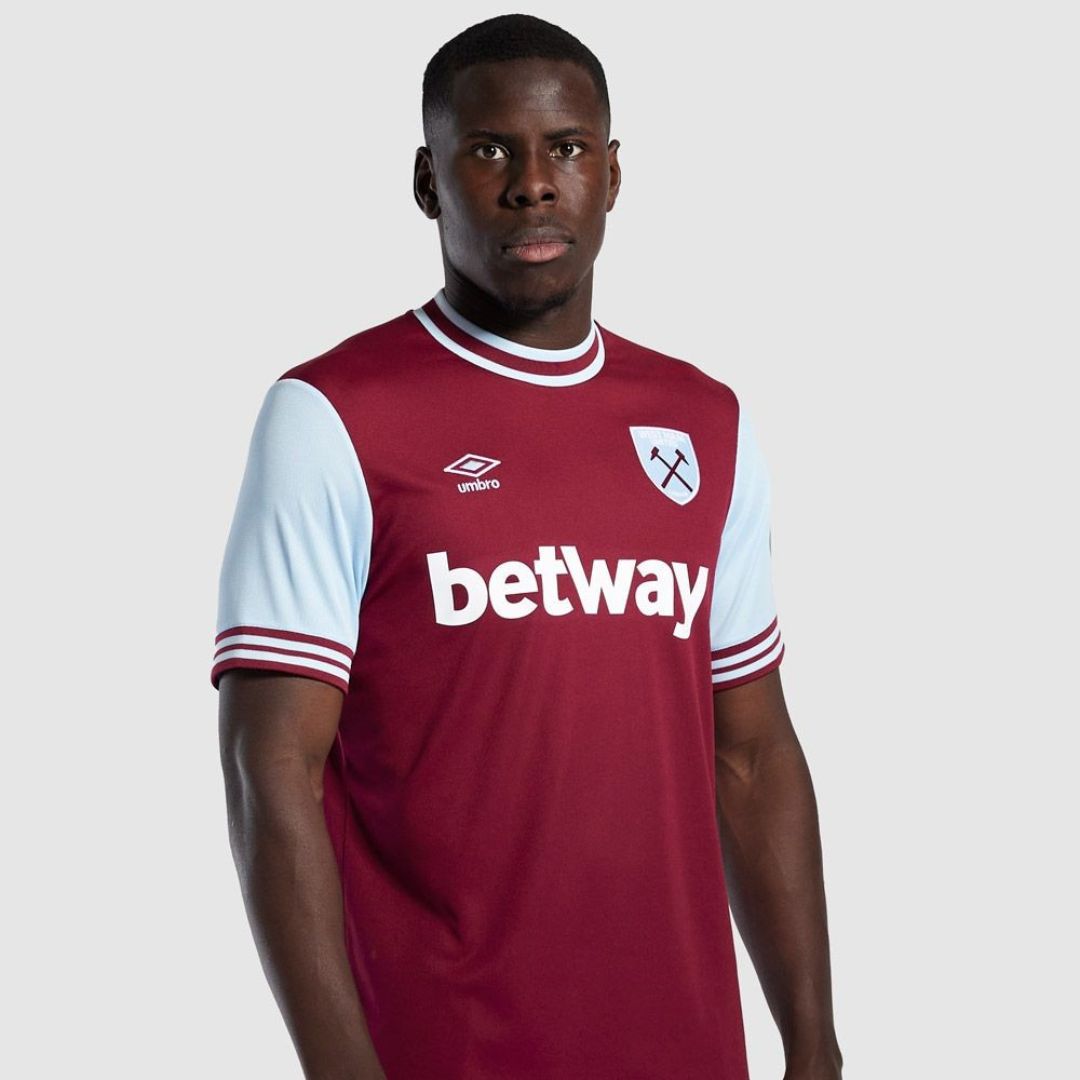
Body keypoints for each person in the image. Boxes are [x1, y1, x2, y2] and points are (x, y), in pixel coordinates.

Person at [212, 13, 842, 1080]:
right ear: (428, 181)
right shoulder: (332, 415)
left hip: (689, 1051)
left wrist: (815, 1049)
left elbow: (751, 755)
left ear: (613, 174)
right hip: (445, 1049)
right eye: (491, 150)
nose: (534, 185)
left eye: (568, 149)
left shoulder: (706, 422)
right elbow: (270, 768)